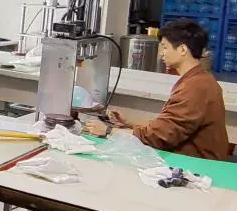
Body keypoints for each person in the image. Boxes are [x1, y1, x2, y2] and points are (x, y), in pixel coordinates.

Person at [81, 18, 229, 160]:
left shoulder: (196, 87)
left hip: (198, 166)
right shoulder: (198, 79)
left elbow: (161, 136)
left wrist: (109, 131)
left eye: (165, 47)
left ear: (183, 49)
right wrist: (129, 125)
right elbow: (169, 127)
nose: (161, 53)